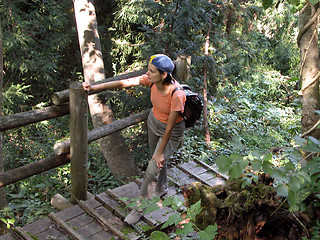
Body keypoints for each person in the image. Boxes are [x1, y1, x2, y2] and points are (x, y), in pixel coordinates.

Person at [83, 54, 186, 225]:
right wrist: (94, 87)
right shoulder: (152, 81)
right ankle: (161, 188)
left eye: (152, 71)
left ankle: (139, 208)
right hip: (153, 123)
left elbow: (170, 126)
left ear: (164, 75)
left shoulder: (177, 95)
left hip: (172, 131)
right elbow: (125, 82)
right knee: (157, 160)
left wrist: (160, 152)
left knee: (153, 167)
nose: (147, 73)